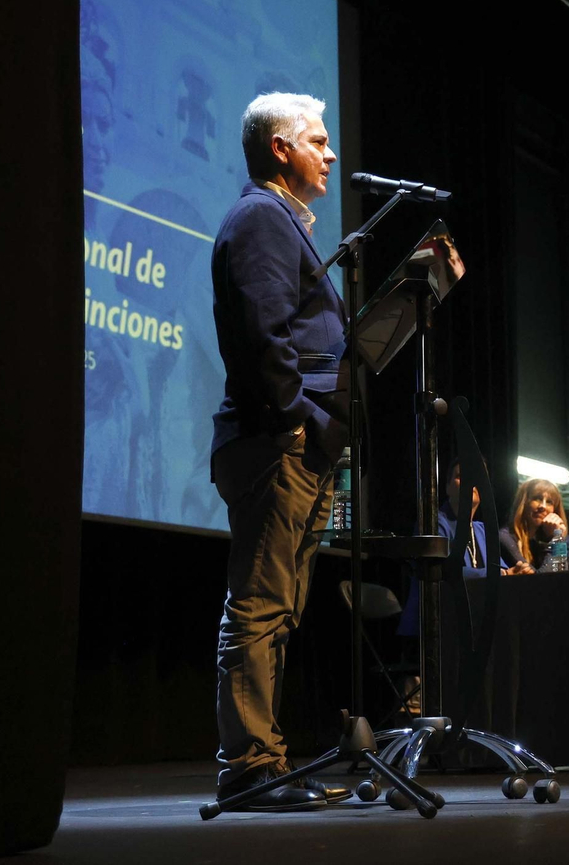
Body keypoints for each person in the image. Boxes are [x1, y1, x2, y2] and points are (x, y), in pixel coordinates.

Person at [209, 92, 350, 812]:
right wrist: (296, 420)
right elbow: (263, 333)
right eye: (318, 141)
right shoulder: (263, 217)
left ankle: (268, 760)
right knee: (261, 605)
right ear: (279, 149)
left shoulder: (285, 221)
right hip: (275, 442)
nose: (331, 154)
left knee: (281, 608)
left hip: (301, 443)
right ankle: (249, 766)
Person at [398, 459, 530, 637]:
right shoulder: (433, 522)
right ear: (447, 487)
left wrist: (518, 571)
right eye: (461, 476)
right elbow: (441, 570)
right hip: (433, 627)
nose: (470, 482)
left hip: (470, 624)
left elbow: (501, 568)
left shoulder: (482, 529)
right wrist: (503, 574)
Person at [499, 477, 567, 568]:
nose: (543, 506)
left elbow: (563, 575)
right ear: (523, 503)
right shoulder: (506, 537)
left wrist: (555, 539)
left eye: (549, 502)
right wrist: (557, 540)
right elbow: (539, 579)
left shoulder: (541, 540)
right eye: (537, 499)